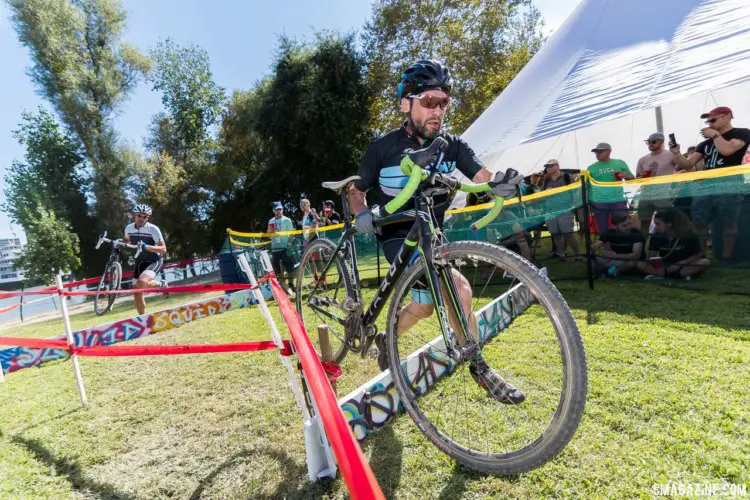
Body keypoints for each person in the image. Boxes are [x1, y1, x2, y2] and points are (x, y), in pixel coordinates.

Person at [348, 59, 524, 404]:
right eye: (429, 101)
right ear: (406, 103)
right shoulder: (381, 148)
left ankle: (387, 338)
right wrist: (361, 214)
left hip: (433, 236)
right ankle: (480, 367)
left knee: (425, 306)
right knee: (458, 289)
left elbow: (480, 175)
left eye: (444, 103)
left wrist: (500, 183)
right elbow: (357, 191)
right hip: (399, 235)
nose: (438, 110)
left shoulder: (452, 145)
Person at [670, 107, 750, 262]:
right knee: (700, 221)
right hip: (706, 185)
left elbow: (727, 150)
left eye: (713, 120)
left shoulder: (741, 133)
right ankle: (700, 254)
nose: (709, 123)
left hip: (730, 183)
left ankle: (726, 257)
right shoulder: (705, 143)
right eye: (708, 121)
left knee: (729, 221)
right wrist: (677, 153)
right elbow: (687, 164)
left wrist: (715, 135)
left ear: (727, 117)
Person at [637, 208, 710, 280]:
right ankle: (677, 275)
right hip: (665, 265)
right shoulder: (656, 236)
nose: (655, 227)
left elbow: (698, 254)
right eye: (655, 224)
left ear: (669, 224)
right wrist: (656, 264)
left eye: (658, 224)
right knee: (640, 263)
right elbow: (651, 256)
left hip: (684, 264)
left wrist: (681, 263)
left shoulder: (688, 234)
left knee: (704, 262)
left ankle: (664, 275)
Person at [123, 204, 167, 315]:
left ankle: (160, 285)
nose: (142, 218)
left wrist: (146, 247)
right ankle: (142, 318)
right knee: (136, 291)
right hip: (140, 261)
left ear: (148, 218)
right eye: (139, 216)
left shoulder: (153, 229)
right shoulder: (128, 228)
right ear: (134, 215)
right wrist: (120, 243)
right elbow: (126, 242)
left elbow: (163, 249)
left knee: (141, 282)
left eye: (145, 217)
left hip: (154, 260)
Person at [635, 133, 679, 233]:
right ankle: (642, 245)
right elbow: (637, 178)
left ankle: (670, 243)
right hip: (646, 194)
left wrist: (676, 187)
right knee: (644, 222)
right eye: (648, 142)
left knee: (667, 221)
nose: (650, 144)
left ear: (662, 142)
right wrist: (640, 176)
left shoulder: (670, 155)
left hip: (664, 193)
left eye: (653, 142)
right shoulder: (643, 159)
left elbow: (683, 167)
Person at [586, 142, 634, 233]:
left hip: (618, 200)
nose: (597, 154)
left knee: (624, 226)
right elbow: (588, 187)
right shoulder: (591, 168)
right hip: (599, 202)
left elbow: (632, 179)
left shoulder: (620, 163)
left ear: (609, 151)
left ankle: (625, 246)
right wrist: (590, 202)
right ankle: (607, 247)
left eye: (600, 151)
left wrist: (626, 176)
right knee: (603, 229)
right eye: (596, 152)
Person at [541, 159, 581, 261]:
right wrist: (546, 192)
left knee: (568, 233)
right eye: (547, 166)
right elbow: (541, 196)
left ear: (557, 166)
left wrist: (575, 205)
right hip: (550, 211)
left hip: (565, 210)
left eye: (550, 166)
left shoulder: (567, 177)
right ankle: (561, 254)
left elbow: (576, 191)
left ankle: (578, 255)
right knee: (555, 234)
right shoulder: (546, 181)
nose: (548, 168)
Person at [591, 212, 645, 277]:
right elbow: (597, 245)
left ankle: (607, 272)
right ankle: (599, 271)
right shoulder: (609, 233)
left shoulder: (636, 234)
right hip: (616, 260)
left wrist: (614, 256)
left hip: (631, 261)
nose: (628, 227)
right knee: (588, 256)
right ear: (615, 227)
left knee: (633, 263)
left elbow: (636, 255)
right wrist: (592, 249)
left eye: (629, 224)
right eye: (624, 225)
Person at [267, 201, 296, 294]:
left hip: (285, 247)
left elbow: (292, 234)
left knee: (290, 267)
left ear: (282, 209)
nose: (278, 211)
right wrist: (269, 231)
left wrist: (289, 244)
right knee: (277, 269)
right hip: (275, 248)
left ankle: (291, 285)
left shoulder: (287, 220)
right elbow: (268, 236)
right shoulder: (271, 221)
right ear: (273, 211)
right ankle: (283, 286)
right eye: (276, 209)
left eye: (280, 209)